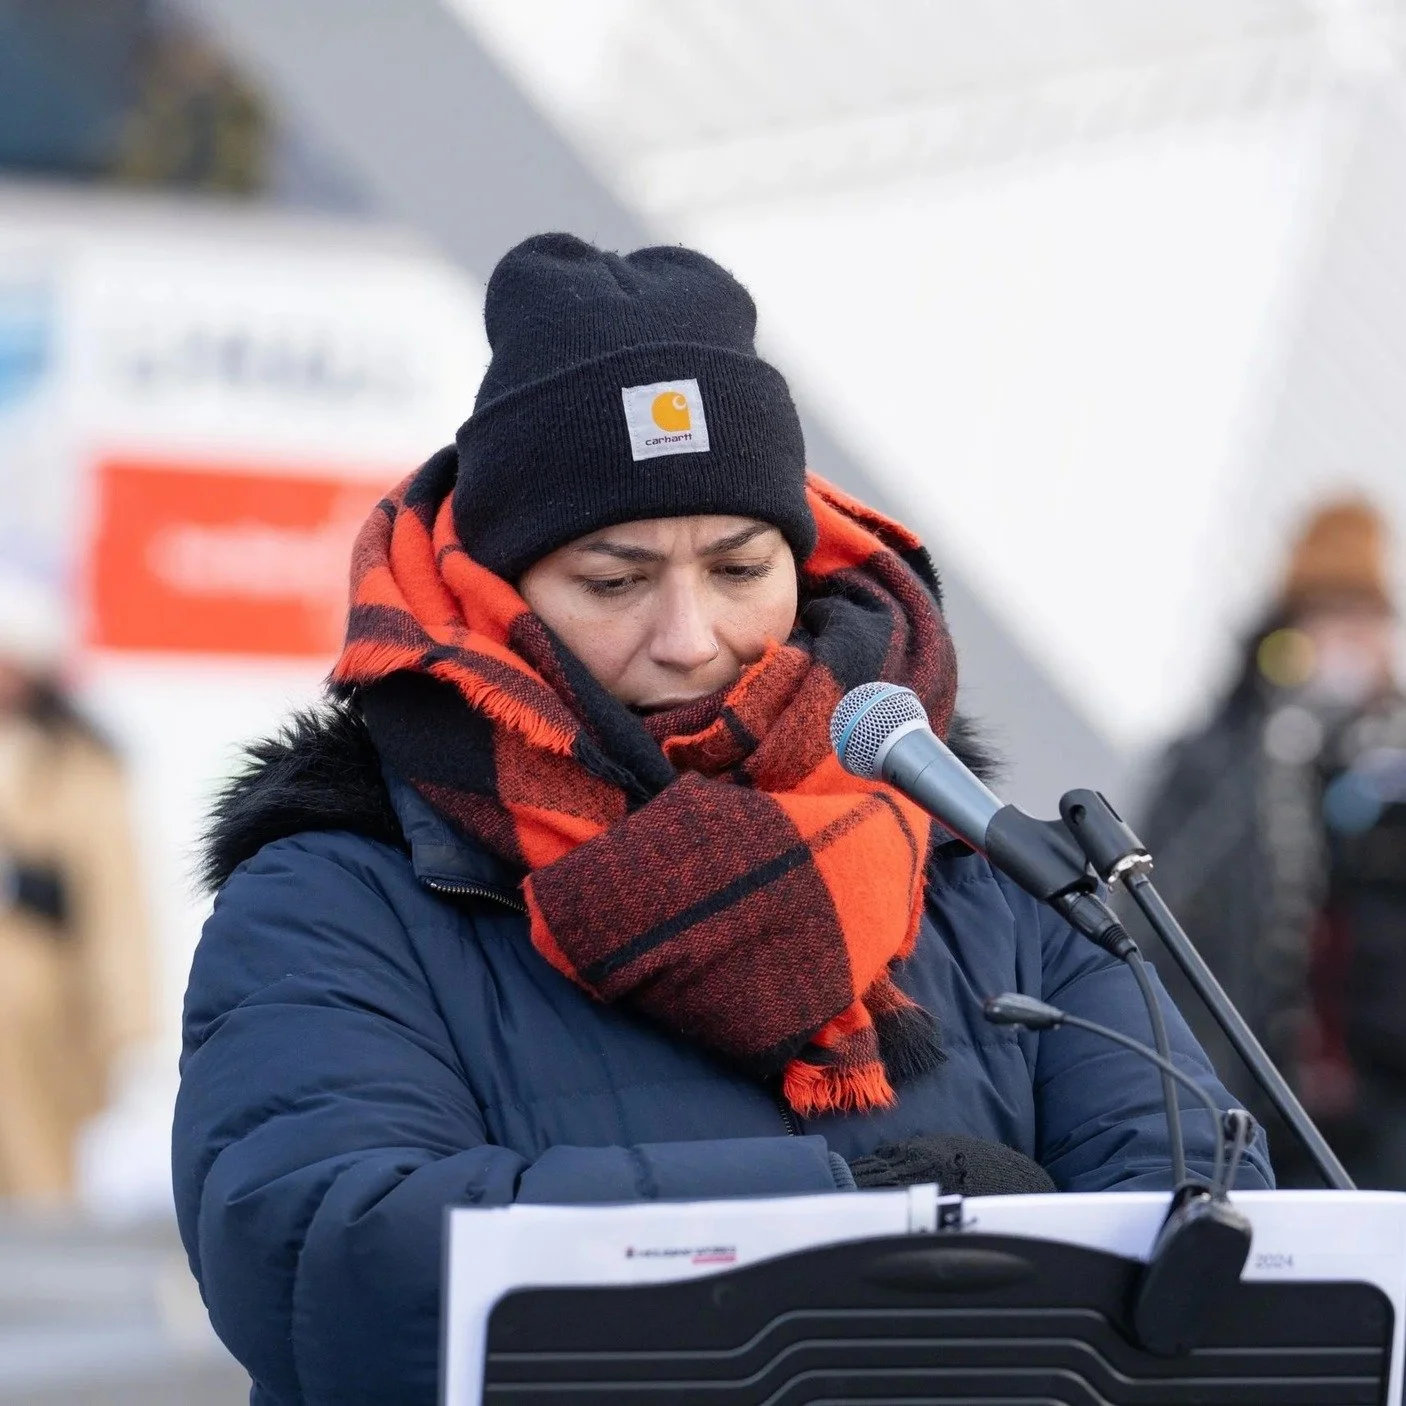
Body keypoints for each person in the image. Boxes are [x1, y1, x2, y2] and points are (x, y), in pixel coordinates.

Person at [172, 233, 1271, 1406]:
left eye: (739, 568)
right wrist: (854, 1221)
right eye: (613, 581)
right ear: (496, 592)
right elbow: (324, 1255)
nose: (690, 638)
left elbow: (1203, 1217)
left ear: (802, 563)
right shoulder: (341, 892)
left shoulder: (978, 864)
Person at [1138, 500, 1406, 1187]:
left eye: (1366, 620)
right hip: (1243, 1098)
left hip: (1372, 1113)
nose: (1353, 644)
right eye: (1331, 618)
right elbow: (1158, 905)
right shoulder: (1221, 764)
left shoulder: (1390, 779)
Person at [0, 561, 151, 1203]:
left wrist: (126, 1025)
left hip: (41, 1007)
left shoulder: (80, 766)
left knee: (36, 1172)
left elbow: (113, 903)